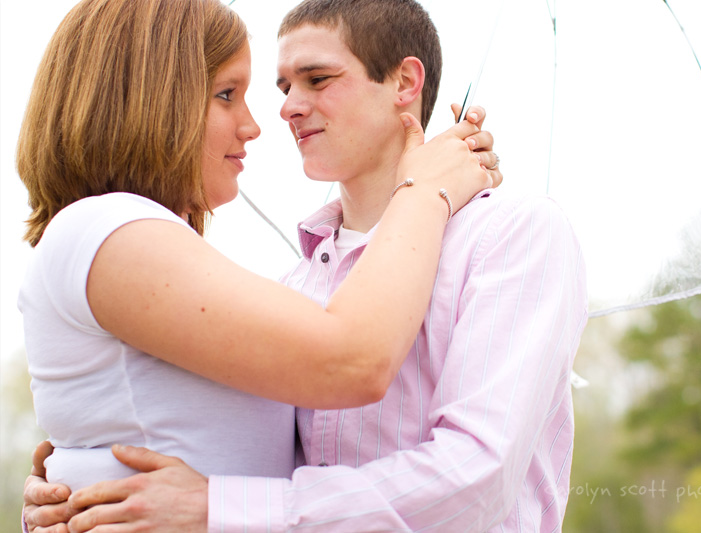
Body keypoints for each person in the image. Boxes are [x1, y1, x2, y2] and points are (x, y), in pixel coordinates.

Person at [24, 0, 586, 531]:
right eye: (278, 86)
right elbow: (286, 456)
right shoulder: (296, 286)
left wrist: (208, 506)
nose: (282, 109)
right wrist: (81, 484)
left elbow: (478, 476)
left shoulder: (509, 235)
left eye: (317, 79)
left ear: (405, 83)